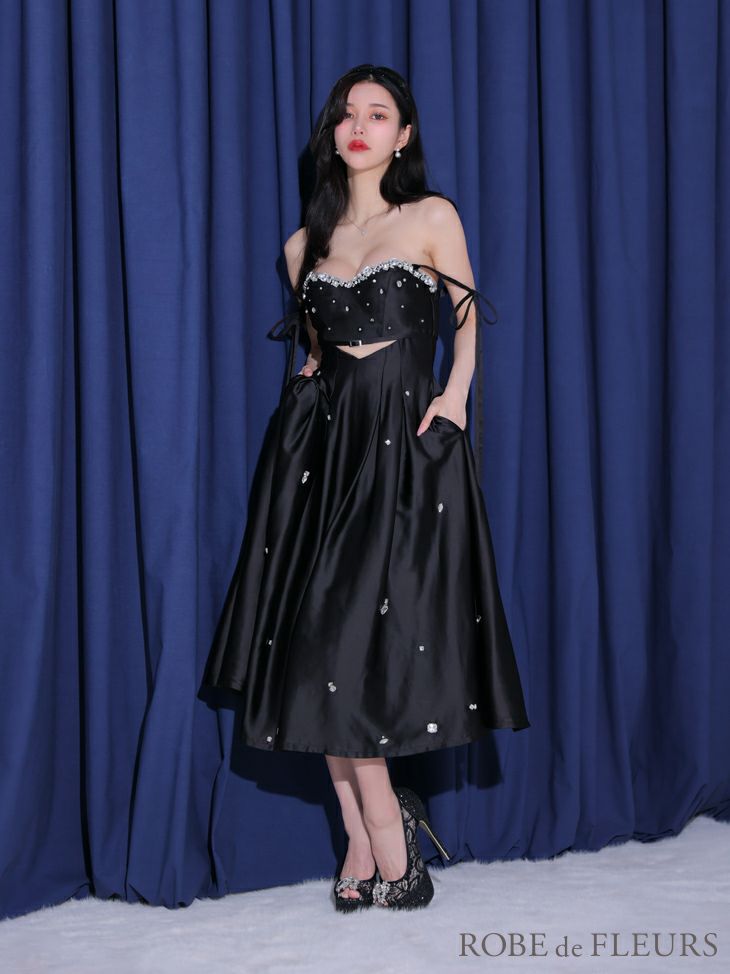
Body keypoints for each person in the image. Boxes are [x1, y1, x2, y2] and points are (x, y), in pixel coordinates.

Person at [201, 64, 530, 912]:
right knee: (310, 646)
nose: (360, 126)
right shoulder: (300, 247)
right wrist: (311, 378)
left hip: (403, 452)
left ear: (403, 135)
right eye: (348, 114)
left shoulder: (431, 217)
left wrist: (455, 398)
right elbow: (320, 351)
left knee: (345, 646)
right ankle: (372, 832)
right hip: (320, 456)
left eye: (378, 114)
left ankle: (382, 834)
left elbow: (465, 323)